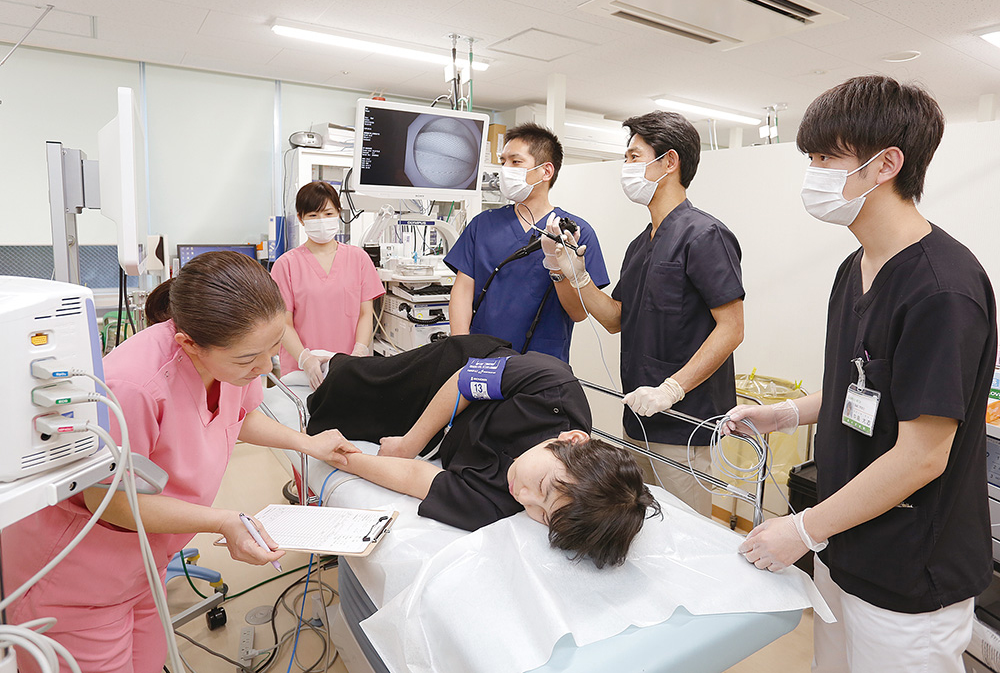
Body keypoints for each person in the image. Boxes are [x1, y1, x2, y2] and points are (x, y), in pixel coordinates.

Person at [723, 76, 997, 673]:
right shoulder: (856, 268)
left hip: (909, 570)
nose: (813, 173)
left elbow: (923, 456)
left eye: (826, 157)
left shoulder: (942, 290)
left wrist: (801, 529)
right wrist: (784, 414)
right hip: (845, 542)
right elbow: (861, 386)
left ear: (886, 165)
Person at [2, 251, 359, 673]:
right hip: (76, 573)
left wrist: (309, 444)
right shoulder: (134, 387)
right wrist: (222, 521)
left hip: (146, 565)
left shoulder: (228, 366)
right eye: (249, 359)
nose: (265, 368)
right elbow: (112, 501)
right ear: (189, 343)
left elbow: (239, 416)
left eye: (273, 349)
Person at [306, 334, 660, 568]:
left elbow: (416, 476)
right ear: (571, 441)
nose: (523, 497)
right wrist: (408, 444)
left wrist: (344, 458)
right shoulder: (551, 387)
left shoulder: (497, 508)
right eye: (542, 487)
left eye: (542, 513)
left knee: (330, 424)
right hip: (451, 379)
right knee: (354, 382)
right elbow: (464, 381)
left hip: (452, 438)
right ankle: (329, 361)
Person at [546, 111, 745, 516]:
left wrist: (671, 389)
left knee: (686, 535)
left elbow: (732, 328)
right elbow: (617, 318)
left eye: (634, 157)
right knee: (640, 524)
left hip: (686, 424)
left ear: (669, 162)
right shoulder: (642, 244)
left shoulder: (705, 235)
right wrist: (576, 275)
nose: (627, 167)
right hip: (638, 418)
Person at [446, 123, 610, 362]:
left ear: (546, 171)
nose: (505, 170)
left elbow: (577, 313)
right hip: (481, 356)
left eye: (515, 162)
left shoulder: (576, 233)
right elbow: (461, 291)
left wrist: (557, 266)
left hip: (543, 361)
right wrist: (460, 351)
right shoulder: (483, 224)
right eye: (503, 162)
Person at [271, 180, 385, 388]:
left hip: (349, 367)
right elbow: (283, 323)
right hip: (301, 373)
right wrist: (305, 359)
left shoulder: (358, 258)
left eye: (328, 213)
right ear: (301, 218)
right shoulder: (285, 265)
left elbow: (365, 314)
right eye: (313, 216)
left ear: (339, 213)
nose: (321, 220)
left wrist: (358, 353)